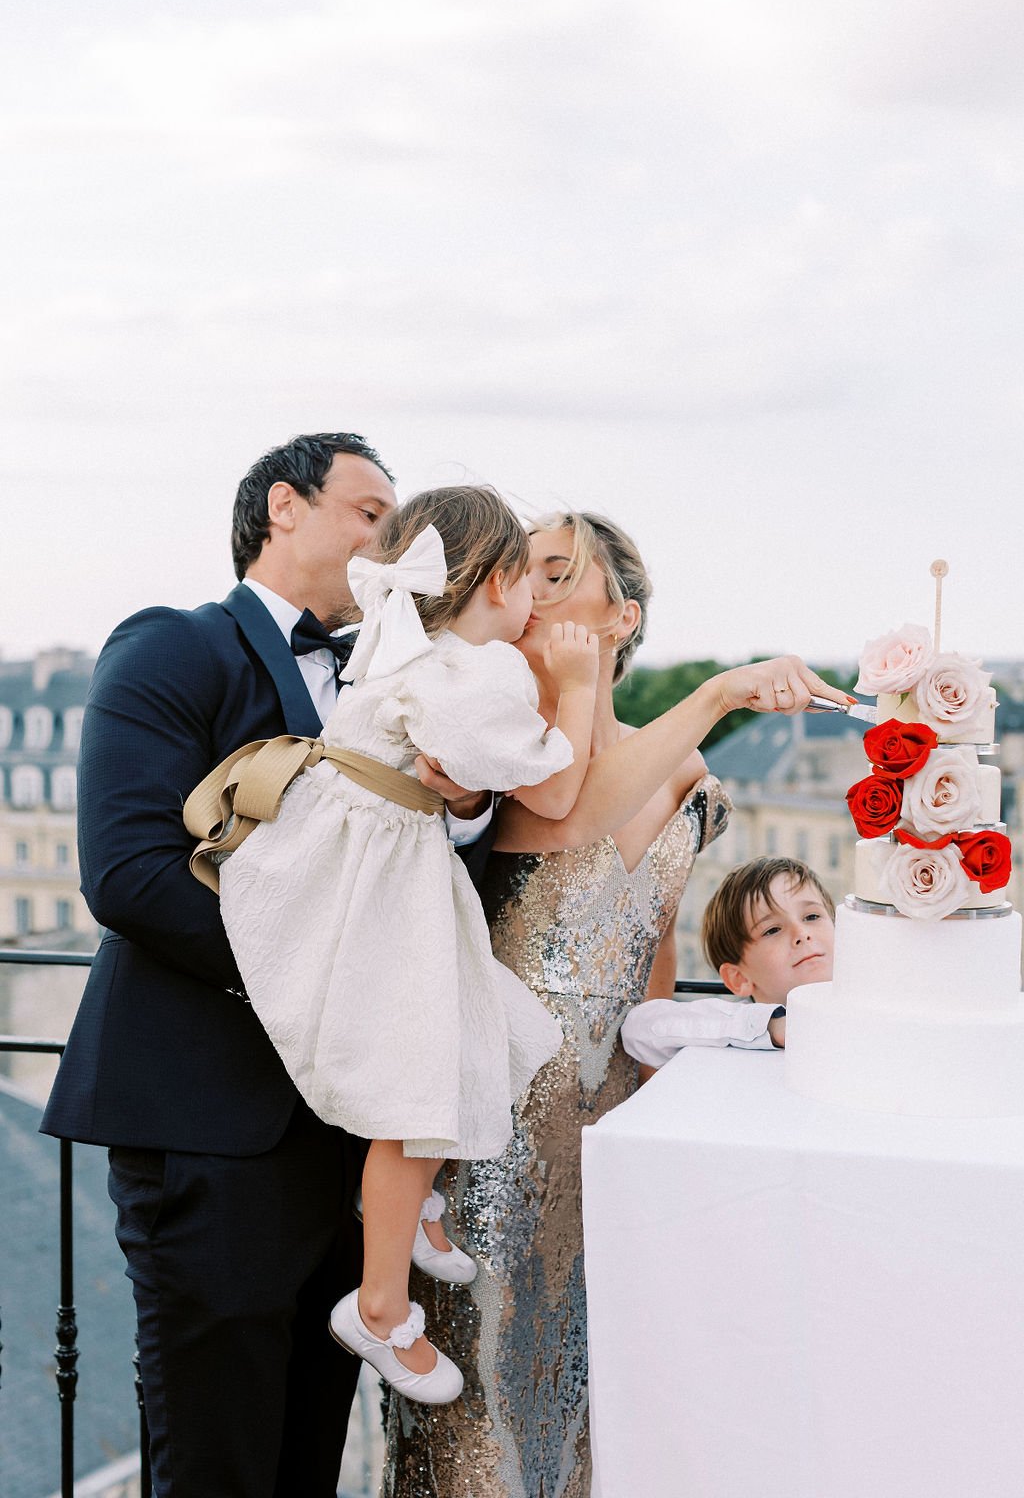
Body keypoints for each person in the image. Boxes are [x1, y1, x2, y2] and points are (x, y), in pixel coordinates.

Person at [39, 433, 491, 1498]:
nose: (396, 538)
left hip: (348, 1148)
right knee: (214, 1461)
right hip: (212, 1130)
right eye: (373, 511)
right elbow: (130, 874)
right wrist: (324, 986)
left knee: (304, 1459)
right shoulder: (171, 646)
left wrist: (464, 805)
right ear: (283, 508)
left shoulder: (406, 682)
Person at [383, 512, 848, 1498]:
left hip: (612, 1131)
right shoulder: (497, 758)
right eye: (520, 572)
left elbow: (660, 948)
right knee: (485, 1415)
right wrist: (722, 691)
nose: (530, 587)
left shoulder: (685, 777)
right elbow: (573, 805)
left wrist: (650, 1112)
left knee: (601, 1400)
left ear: (619, 614)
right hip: (490, 1130)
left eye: (555, 570)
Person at [212, 486, 600, 1405]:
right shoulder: (475, 671)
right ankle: (380, 1307)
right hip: (385, 875)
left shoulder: (402, 643)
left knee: (459, 1041)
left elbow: (449, 768)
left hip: (370, 859)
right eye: (529, 589)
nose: (534, 609)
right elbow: (550, 784)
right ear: (499, 581)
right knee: (420, 1080)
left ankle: (410, 1208)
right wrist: (576, 692)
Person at [622, 856, 837, 1070]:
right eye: (772, 930)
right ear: (739, 978)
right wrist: (771, 1026)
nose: (802, 933)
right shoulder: (731, 1030)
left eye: (812, 916)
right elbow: (639, 1028)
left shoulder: (868, 1003)